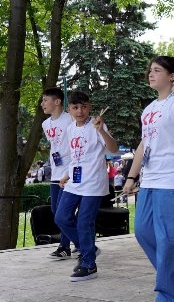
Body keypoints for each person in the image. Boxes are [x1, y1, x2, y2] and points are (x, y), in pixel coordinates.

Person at [122, 55, 174, 302]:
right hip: (151, 176)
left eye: (157, 70)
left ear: (172, 76)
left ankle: (173, 294)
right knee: (143, 230)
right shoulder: (149, 109)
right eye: (150, 70)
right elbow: (143, 145)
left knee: (167, 235)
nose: (150, 73)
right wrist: (131, 177)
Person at [55, 91, 118, 281]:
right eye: (75, 107)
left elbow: (113, 149)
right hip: (74, 181)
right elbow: (76, 157)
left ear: (89, 107)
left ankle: (89, 264)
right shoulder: (70, 129)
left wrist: (101, 131)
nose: (80, 111)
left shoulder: (97, 125)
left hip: (94, 182)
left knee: (84, 222)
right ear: (69, 109)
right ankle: (87, 247)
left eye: (84, 107)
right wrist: (66, 175)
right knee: (61, 217)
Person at [40, 87, 75, 260]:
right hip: (55, 171)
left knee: (63, 212)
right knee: (56, 210)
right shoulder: (45, 124)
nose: (42, 104)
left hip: (69, 171)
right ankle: (82, 239)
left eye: (45, 100)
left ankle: (65, 246)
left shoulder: (69, 119)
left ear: (57, 101)